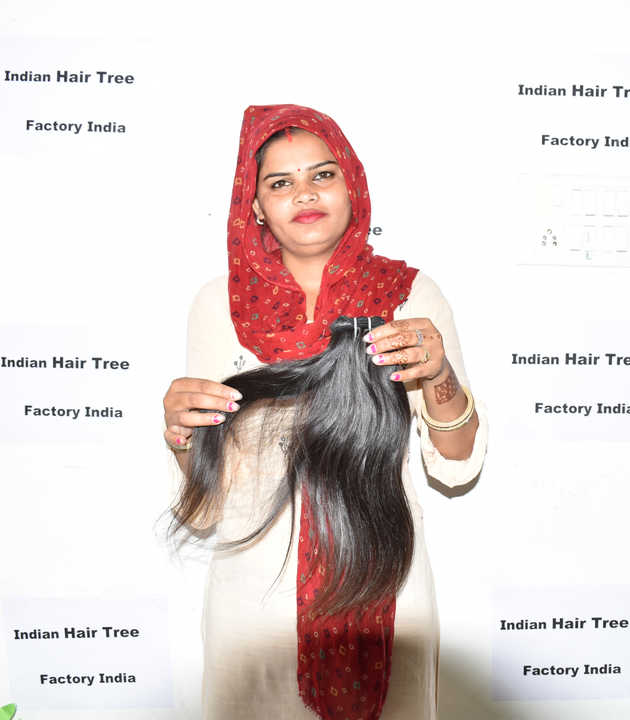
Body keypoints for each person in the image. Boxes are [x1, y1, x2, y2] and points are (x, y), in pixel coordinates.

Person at [163, 104, 488, 719]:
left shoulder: (410, 295)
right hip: (253, 598)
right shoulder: (219, 305)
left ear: (352, 185)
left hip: (382, 585)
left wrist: (439, 373)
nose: (305, 194)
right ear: (256, 206)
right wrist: (182, 434)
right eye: (279, 182)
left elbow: (459, 461)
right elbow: (210, 495)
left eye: (322, 175)